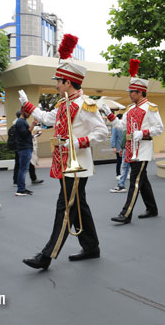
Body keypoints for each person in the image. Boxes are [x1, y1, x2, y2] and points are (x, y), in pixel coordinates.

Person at [21, 51, 111, 270]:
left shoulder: (85, 104)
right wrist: (28, 106)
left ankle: (46, 256)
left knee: (65, 207)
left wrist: (77, 142)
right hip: (66, 164)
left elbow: (101, 132)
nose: (56, 86)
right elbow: (47, 119)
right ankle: (91, 247)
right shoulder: (63, 104)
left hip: (77, 166)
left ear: (68, 82)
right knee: (79, 206)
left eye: (58, 82)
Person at [111, 59, 164, 225]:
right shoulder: (130, 110)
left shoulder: (151, 108)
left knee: (134, 181)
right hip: (131, 148)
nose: (130, 94)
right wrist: (110, 115)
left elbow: (159, 128)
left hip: (142, 149)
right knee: (142, 180)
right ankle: (152, 208)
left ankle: (125, 214)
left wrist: (143, 132)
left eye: (132, 92)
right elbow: (121, 126)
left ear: (140, 92)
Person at [14, 107, 34, 196]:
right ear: (23, 111)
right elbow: (24, 135)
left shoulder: (21, 122)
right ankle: (21, 189)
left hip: (24, 147)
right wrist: (32, 125)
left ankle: (21, 188)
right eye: (28, 112)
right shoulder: (20, 122)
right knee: (23, 169)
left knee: (23, 168)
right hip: (24, 148)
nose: (29, 114)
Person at [110, 113, 124, 179]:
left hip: (125, 146)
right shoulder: (115, 127)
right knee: (119, 161)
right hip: (118, 146)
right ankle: (118, 174)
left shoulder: (124, 126)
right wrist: (113, 147)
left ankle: (125, 173)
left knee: (126, 161)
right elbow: (113, 137)